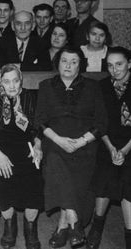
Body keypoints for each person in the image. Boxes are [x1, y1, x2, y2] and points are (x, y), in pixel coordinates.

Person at [35, 46, 107, 248]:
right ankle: (75, 222)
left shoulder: (93, 87)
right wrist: (60, 140)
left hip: (84, 144)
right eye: (64, 60)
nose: (68, 65)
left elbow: (101, 123)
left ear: (80, 64)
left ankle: (62, 225)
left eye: (74, 61)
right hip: (55, 142)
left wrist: (81, 141)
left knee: (73, 173)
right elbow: (39, 121)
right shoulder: (46, 85)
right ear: (57, 63)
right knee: (56, 162)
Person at [87, 47, 131, 249]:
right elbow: (99, 121)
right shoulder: (103, 86)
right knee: (105, 175)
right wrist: (112, 148)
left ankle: (130, 236)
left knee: (129, 180)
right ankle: (96, 228)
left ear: (130, 63)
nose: (114, 70)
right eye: (110, 65)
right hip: (109, 143)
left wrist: (124, 151)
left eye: (119, 64)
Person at [0, 63, 44, 249]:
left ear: (21, 81)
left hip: (26, 146)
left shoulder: (30, 96)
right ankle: (10, 225)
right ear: (0, 81)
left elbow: (38, 127)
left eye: (15, 81)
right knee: (3, 180)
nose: (12, 86)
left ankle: (30, 226)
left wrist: (39, 146)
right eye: (6, 81)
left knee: (34, 179)